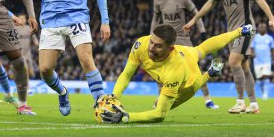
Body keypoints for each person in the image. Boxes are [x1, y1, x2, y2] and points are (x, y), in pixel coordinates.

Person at [183, 0, 274, 114]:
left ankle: (240, 102)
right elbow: (210, 3)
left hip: (246, 28)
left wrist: (271, 18)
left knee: (233, 62)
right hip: (231, 31)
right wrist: (194, 19)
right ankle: (254, 104)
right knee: (244, 66)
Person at [98, 24, 255, 123]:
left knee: (156, 106)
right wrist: (113, 97)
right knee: (202, 49)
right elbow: (126, 74)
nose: (151, 48)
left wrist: (127, 117)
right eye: (152, 42)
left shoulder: (175, 71)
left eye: (158, 46)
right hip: (186, 52)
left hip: (188, 82)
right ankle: (239, 31)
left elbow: (159, 114)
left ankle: (208, 74)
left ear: (170, 47)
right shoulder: (141, 44)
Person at [151, 0, 218, 109]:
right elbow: (155, 20)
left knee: (195, 69)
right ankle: (162, 101)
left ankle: (208, 99)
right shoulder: (158, 0)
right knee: (160, 69)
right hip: (166, 40)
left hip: (183, 39)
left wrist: (203, 31)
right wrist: (151, 37)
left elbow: (196, 14)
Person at [250, 22, 274, 100]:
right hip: (257, 61)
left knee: (266, 75)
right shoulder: (255, 38)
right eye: (260, 27)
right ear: (258, 29)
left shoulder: (269, 38)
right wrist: (252, 54)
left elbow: (273, 49)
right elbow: (251, 48)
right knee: (259, 78)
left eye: (263, 27)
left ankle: (265, 93)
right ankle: (263, 92)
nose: (262, 28)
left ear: (266, 28)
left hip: (267, 61)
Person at [15, 12, 39, 79]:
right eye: (21, 19)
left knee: (31, 72)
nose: (23, 20)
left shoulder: (29, 28)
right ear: (18, 19)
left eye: (24, 18)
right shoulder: (15, 28)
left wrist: (38, 45)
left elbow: (34, 39)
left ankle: (25, 84)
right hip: (19, 52)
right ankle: (26, 87)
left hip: (28, 52)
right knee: (24, 69)